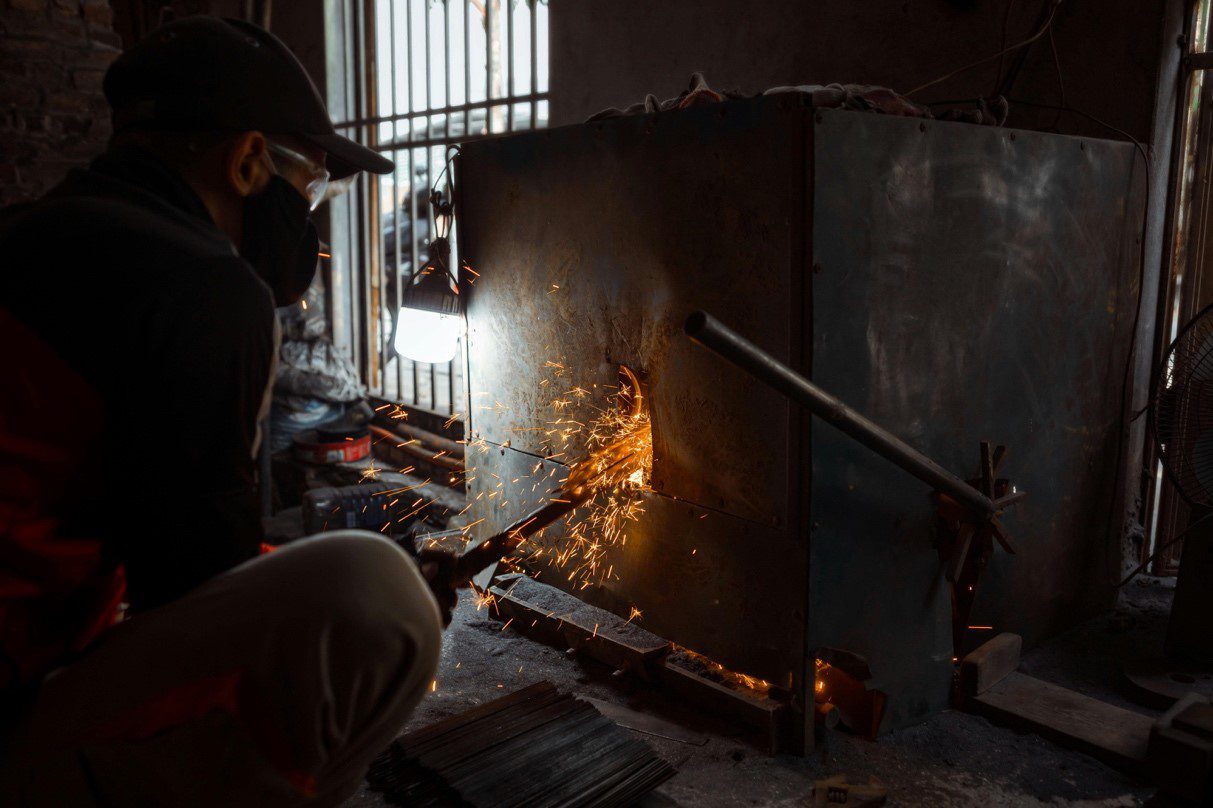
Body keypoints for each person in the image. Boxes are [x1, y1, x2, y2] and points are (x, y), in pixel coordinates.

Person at [0, 16, 454, 806]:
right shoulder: (199, 283)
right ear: (248, 161)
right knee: (377, 596)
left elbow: (157, 537)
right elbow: (190, 580)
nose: (307, 226)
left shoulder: (30, 233)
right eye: (308, 189)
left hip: (36, 640)